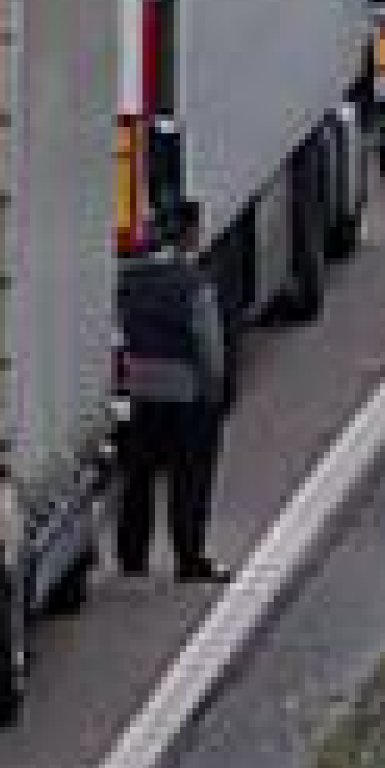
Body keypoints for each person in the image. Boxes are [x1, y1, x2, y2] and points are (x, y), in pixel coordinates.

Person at [112, 232, 230, 582]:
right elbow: (209, 343)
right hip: (186, 393)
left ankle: (132, 557)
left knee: (137, 479)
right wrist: (214, 391)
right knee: (190, 480)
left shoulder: (124, 283)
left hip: (138, 392)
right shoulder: (194, 285)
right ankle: (189, 558)